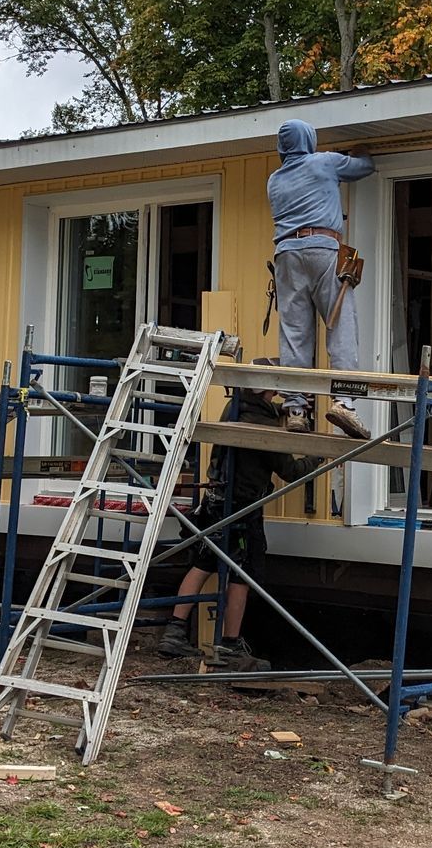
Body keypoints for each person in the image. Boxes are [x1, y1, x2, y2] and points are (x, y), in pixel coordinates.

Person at [156, 382, 317, 670]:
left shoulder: (234, 409)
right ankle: (229, 645)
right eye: (273, 392)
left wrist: (282, 410)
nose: (276, 395)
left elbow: (258, 411)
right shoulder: (263, 428)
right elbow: (291, 471)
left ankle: (175, 631)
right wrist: (318, 455)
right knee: (243, 573)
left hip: (216, 502)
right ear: (265, 393)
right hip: (244, 509)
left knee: (203, 563)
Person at [267, 119, 374, 437]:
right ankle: (344, 402)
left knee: (294, 331)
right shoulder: (324, 161)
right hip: (323, 248)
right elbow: (364, 167)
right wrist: (361, 151)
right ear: (309, 141)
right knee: (340, 324)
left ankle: (296, 409)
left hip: (286, 254)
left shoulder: (274, 180)